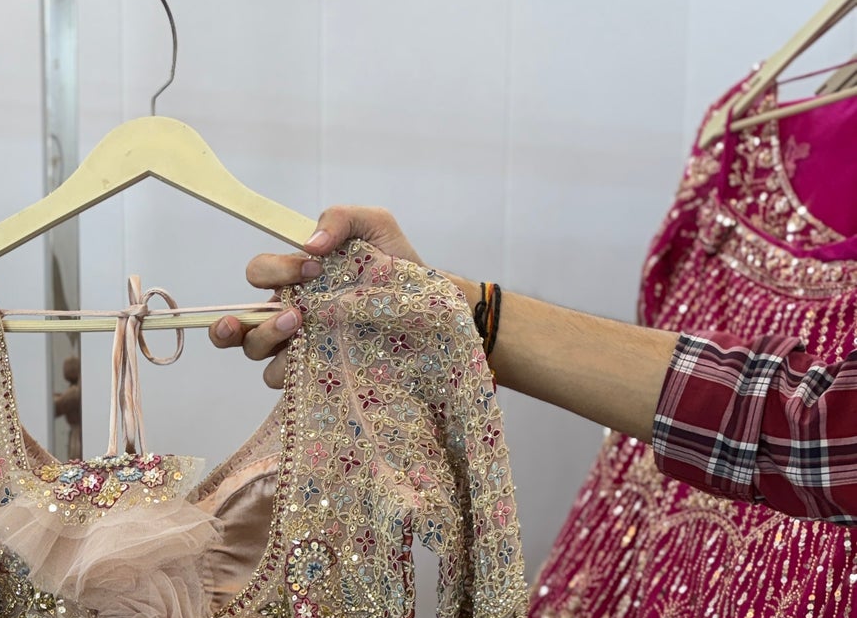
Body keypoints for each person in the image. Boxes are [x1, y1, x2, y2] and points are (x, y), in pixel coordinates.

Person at [210, 204, 857, 524]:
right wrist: (437, 311)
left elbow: (820, 435)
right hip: (655, 582)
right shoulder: (740, 122)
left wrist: (453, 313)